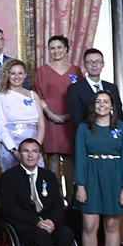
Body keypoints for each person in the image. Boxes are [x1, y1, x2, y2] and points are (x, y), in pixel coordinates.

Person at [74, 90, 123, 246]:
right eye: (98, 101)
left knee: (111, 225)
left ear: (112, 105)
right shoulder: (84, 128)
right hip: (91, 177)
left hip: (115, 179)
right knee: (90, 225)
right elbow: (80, 157)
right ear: (94, 105)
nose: (102, 105)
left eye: (106, 101)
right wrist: (80, 184)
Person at [1, 138, 76, 246]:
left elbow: (58, 205)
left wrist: (52, 222)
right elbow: (11, 209)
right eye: (26, 151)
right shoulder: (9, 177)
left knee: (66, 233)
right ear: (20, 154)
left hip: (49, 223)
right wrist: (36, 221)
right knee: (41, 234)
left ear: (40, 155)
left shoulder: (49, 176)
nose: (30, 155)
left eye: (34, 151)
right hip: (24, 224)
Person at [34, 35, 81, 180]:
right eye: (52, 48)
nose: (56, 51)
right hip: (49, 119)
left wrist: (69, 115)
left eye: (59, 47)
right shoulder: (42, 70)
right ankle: (54, 198)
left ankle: (71, 200)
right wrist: (50, 114)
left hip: (71, 119)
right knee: (52, 156)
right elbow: (38, 95)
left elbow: (81, 96)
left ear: (66, 49)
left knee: (70, 156)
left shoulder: (76, 70)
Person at [0, 59, 46, 173]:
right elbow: (0, 126)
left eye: (20, 73)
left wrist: (36, 148)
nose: (17, 77)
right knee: (13, 179)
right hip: (10, 146)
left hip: (33, 142)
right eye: (13, 73)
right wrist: (14, 150)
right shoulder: (0, 97)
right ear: (7, 75)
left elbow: (41, 124)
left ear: (25, 75)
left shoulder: (33, 95)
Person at [65, 48, 123, 132]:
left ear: (103, 64)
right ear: (84, 65)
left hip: (111, 134)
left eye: (98, 62)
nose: (94, 65)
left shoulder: (112, 87)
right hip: (88, 135)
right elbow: (76, 118)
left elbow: (119, 114)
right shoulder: (75, 89)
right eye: (90, 62)